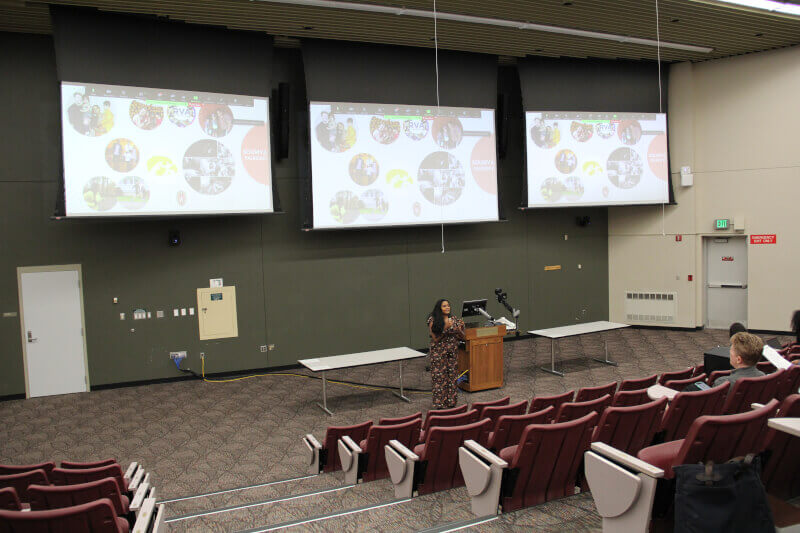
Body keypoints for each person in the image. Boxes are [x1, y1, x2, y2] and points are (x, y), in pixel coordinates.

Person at [427, 299, 465, 409]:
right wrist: (446, 327)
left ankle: (451, 402)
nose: (447, 307)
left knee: (452, 377)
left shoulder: (453, 319)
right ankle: (439, 404)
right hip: (438, 353)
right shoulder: (432, 320)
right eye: (444, 306)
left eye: (448, 305)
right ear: (439, 308)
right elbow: (435, 338)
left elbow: (462, 336)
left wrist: (460, 328)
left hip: (452, 352)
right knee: (439, 378)